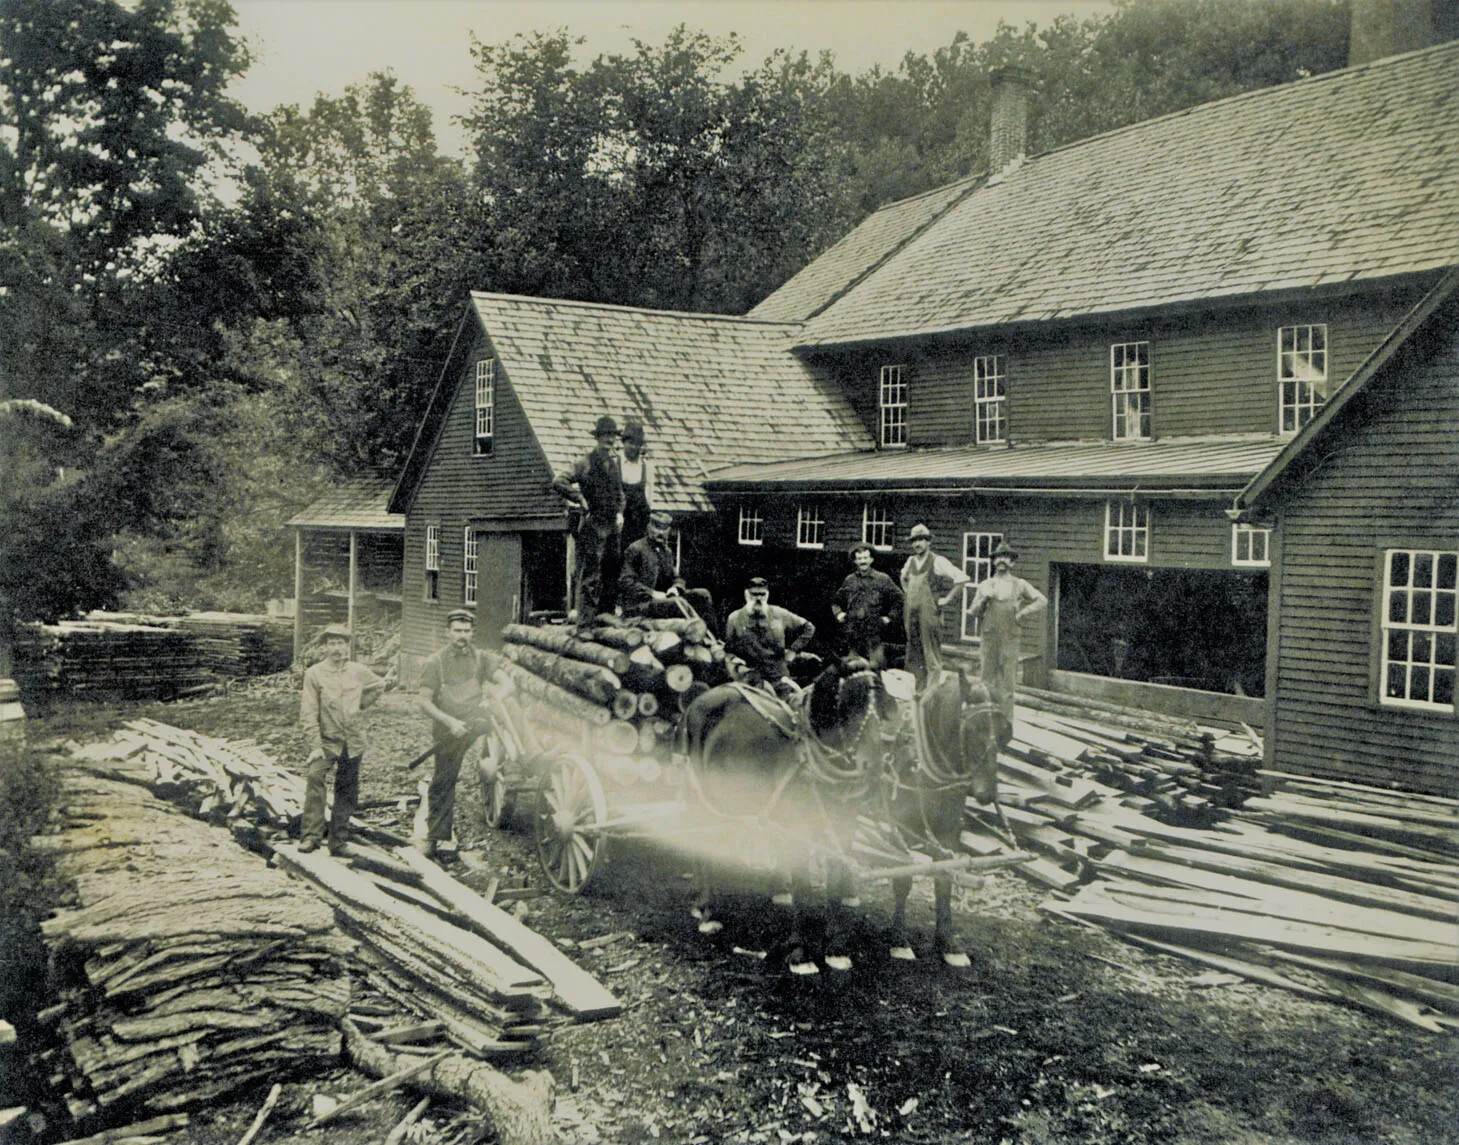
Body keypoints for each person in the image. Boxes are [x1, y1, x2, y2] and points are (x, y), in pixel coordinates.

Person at [299, 622, 386, 854]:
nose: (337, 648)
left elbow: (379, 685)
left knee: (347, 789)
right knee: (315, 777)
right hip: (326, 741)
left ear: (348, 647)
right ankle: (311, 836)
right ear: (324, 647)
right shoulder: (314, 674)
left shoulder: (358, 671)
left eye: (341, 643)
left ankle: (338, 841)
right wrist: (315, 745)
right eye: (332, 643)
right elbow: (308, 712)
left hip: (353, 740)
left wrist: (361, 705)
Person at [415, 608, 495, 858]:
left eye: (466, 631)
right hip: (449, 727)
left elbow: (506, 682)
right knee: (444, 778)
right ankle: (435, 837)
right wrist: (450, 722)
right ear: (447, 633)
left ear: (473, 633)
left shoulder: (481, 658)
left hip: (476, 719)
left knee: (508, 717)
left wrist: (493, 697)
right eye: (457, 631)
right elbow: (423, 701)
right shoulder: (435, 662)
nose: (462, 635)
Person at [966, 540, 1047, 737]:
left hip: (1010, 638)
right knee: (986, 681)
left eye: (1006, 558)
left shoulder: (1020, 585)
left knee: (1008, 684)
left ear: (1012, 563)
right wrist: (984, 599)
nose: (1002, 561)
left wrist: (1022, 613)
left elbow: (1042, 600)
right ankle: (985, 724)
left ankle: (1005, 727)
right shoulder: (986, 585)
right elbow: (972, 612)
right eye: (998, 557)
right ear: (994, 562)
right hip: (989, 638)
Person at [551, 414, 624, 621]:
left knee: (611, 573)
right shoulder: (585, 463)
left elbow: (620, 493)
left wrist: (619, 511)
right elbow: (559, 481)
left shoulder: (614, 463)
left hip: (612, 527)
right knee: (590, 576)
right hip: (593, 525)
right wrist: (578, 497)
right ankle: (585, 624)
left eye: (612, 436)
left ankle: (605, 619)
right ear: (598, 437)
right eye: (605, 436)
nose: (609, 440)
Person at [618, 509, 716, 632]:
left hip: (664, 599)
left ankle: (714, 638)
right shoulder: (636, 549)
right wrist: (652, 593)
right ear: (649, 527)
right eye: (657, 528)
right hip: (641, 605)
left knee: (702, 594)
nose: (660, 532)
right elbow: (625, 581)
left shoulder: (667, 552)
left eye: (664, 529)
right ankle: (702, 635)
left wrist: (675, 588)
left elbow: (677, 578)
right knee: (678, 603)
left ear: (669, 531)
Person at [899, 523, 970, 687]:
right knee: (914, 655)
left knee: (931, 656)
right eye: (914, 541)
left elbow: (962, 579)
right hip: (911, 614)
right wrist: (908, 593)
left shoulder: (937, 561)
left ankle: (932, 696)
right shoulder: (910, 561)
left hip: (929, 615)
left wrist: (946, 600)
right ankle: (917, 694)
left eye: (921, 540)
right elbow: (903, 578)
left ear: (928, 542)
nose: (917, 544)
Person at [725, 576, 815, 700]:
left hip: (778, 677)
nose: (758, 598)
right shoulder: (735, 618)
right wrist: (736, 662)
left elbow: (808, 627)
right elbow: (729, 650)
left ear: (767, 595)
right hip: (751, 680)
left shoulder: (779, 614)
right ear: (746, 594)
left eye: (762, 594)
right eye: (754, 594)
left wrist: (793, 650)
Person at [832, 543, 903, 668]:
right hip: (853, 634)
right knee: (851, 668)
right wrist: (838, 614)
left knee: (877, 667)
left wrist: (890, 617)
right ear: (855, 561)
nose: (863, 561)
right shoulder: (850, 580)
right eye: (859, 559)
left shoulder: (882, 579)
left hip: (874, 634)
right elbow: (836, 601)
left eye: (865, 558)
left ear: (871, 559)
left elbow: (900, 598)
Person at [618, 418, 655, 548]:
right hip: (618, 529)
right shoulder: (614, 465)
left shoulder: (647, 468)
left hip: (638, 530)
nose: (634, 447)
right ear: (624, 443)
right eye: (630, 443)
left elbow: (649, 502)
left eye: (637, 444)